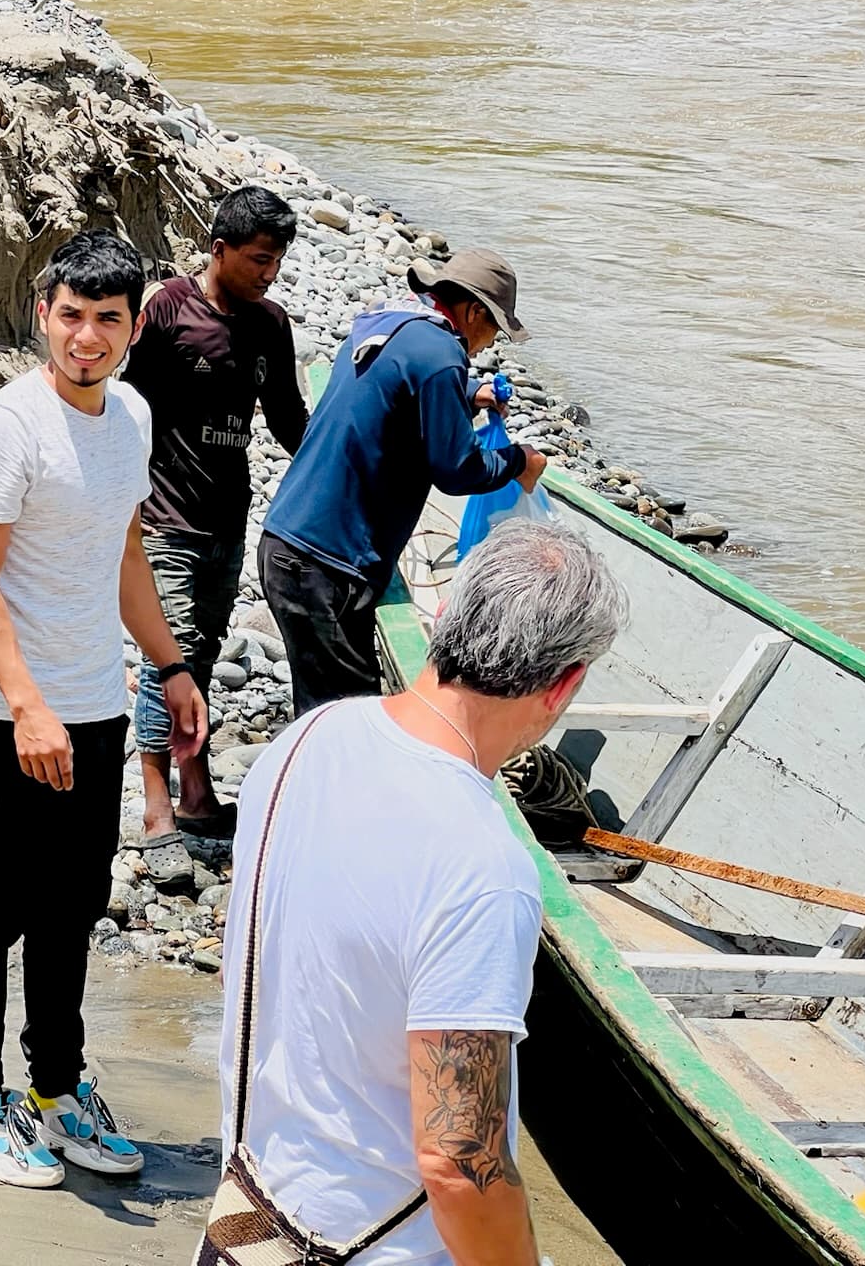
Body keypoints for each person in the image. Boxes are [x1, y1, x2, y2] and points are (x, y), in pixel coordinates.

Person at [208, 521, 627, 1266]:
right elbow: (459, 1160)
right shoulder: (483, 868)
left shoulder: (309, 739)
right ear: (565, 684)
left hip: (251, 1224)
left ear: (445, 620)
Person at [0, 229, 209, 1189]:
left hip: (94, 705)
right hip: (13, 714)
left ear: (133, 326)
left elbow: (126, 558)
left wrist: (172, 666)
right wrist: (26, 703)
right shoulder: (6, 426)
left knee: (73, 908)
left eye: (107, 320)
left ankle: (56, 1086)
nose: (86, 338)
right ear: (44, 312)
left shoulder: (129, 414)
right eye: (71, 317)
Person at [259, 249, 549, 717]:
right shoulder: (442, 356)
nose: (488, 342)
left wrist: (466, 396)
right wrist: (518, 461)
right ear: (474, 311)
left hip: (293, 544)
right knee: (343, 720)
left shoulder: (393, 326)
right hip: (324, 566)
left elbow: (394, 401)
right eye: (493, 328)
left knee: (330, 710)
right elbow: (456, 470)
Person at [121, 184, 308, 876]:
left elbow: (290, 421)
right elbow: (126, 408)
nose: (270, 273)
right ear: (219, 249)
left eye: (278, 261)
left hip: (228, 515)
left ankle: (197, 791)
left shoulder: (270, 326)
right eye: (259, 259)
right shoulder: (167, 309)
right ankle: (157, 809)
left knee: (198, 658)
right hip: (164, 515)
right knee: (166, 658)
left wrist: (343, 469)